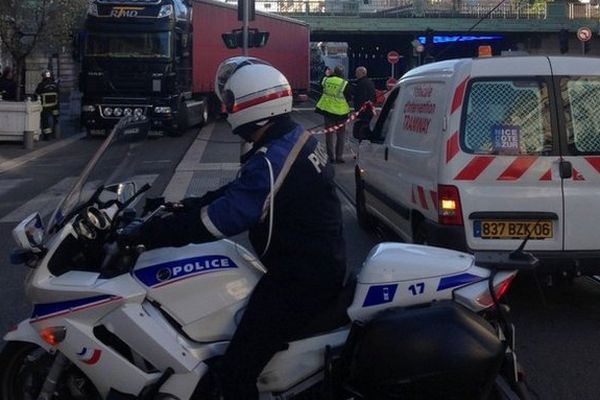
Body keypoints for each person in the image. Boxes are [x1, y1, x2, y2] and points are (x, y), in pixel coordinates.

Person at [122, 56, 347, 399]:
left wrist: (150, 235)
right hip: (313, 261)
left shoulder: (274, 157)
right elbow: (242, 191)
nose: (227, 110)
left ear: (255, 104)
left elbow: (222, 219)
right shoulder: (288, 138)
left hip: (301, 277)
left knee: (236, 371)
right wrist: (185, 204)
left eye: (232, 102)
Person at [315, 65, 351, 163]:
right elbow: (349, 97)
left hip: (328, 112)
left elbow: (320, 85)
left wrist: (327, 74)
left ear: (334, 72)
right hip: (341, 113)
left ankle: (331, 157)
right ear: (343, 74)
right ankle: (339, 157)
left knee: (329, 135)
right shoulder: (344, 83)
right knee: (341, 135)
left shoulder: (326, 80)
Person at [352, 66, 376, 138]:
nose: (355, 74)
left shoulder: (360, 84)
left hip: (363, 112)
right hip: (369, 111)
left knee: (360, 132)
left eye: (357, 73)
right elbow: (374, 97)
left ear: (361, 73)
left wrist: (358, 110)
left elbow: (360, 98)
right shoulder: (371, 83)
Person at [35, 70, 60, 140]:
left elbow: (37, 93)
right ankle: (56, 133)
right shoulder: (55, 84)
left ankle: (47, 136)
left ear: (43, 76)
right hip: (55, 107)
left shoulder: (41, 85)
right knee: (56, 119)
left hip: (45, 107)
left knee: (45, 120)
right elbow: (58, 94)